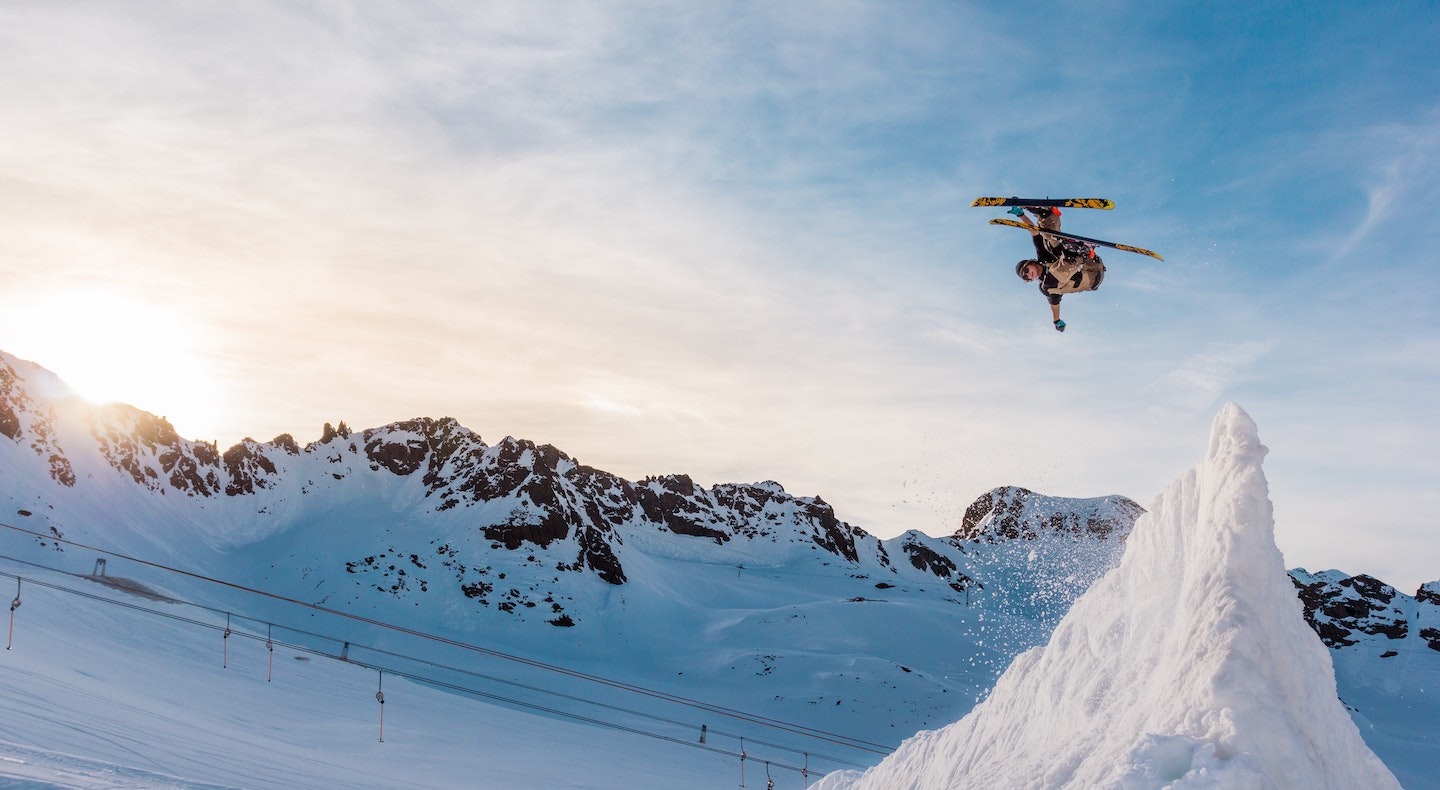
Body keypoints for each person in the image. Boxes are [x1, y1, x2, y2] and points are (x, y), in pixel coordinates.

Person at [1012, 207, 1105, 332]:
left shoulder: (1042, 257)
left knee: (1048, 239)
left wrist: (1021, 215)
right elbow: (1054, 301)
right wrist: (1056, 320)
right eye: (1025, 277)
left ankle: (1047, 215)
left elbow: (1034, 232)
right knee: (1049, 284)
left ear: (1030, 263)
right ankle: (1072, 256)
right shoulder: (1045, 285)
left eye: (1026, 271)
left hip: (1090, 261)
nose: (1028, 275)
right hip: (1092, 277)